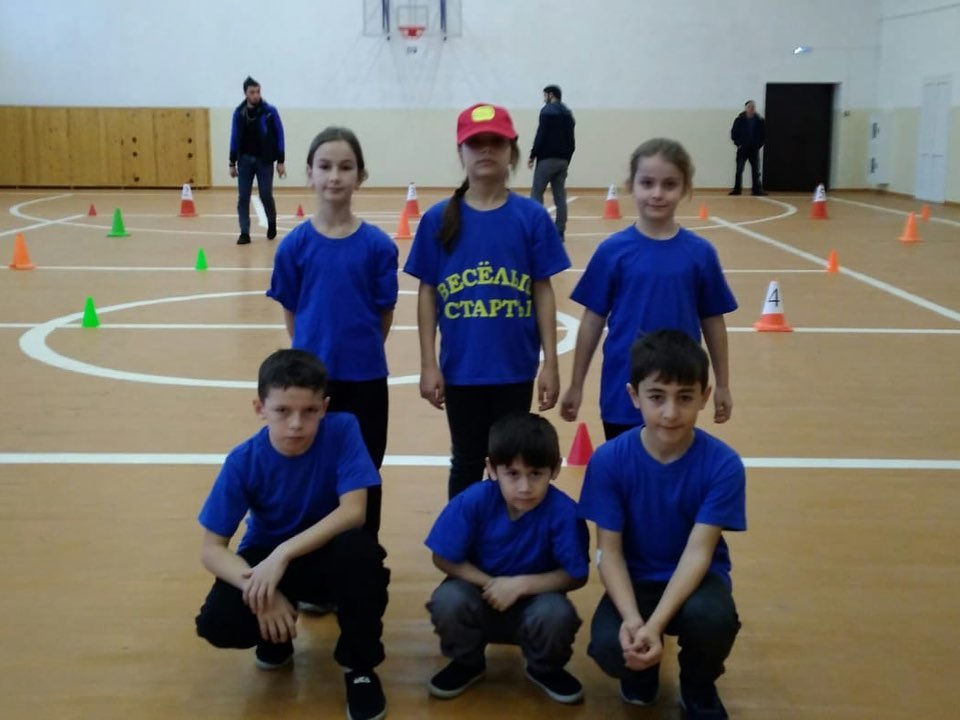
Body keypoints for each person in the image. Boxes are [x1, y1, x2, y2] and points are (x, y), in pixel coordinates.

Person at [194, 349, 390, 720]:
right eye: (283, 411)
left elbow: (354, 512)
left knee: (360, 554)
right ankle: (275, 633)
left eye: (309, 411)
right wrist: (262, 593)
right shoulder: (243, 461)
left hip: (323, 554)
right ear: (260, 408)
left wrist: (282, 555)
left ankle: (360, 668)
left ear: (325, 407)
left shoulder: (343, 429)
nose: (296, 424)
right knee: (217, 623)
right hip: (266, 557)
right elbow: (212, 550)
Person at [403, 103, 570, 500]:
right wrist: (428, 363)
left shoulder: (531, 217)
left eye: (496, 141)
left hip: (515, 368)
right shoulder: (438, 219)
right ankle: (460, 537)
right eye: (475, 143)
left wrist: (551, 362)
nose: (486, 150)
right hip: (462, 370)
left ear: (512, 151)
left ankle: (504, 533)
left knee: (511, 462)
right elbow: (427, 293)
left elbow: (543, 291)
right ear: (460, 151)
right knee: (466, 460)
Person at [578, 330, 746, 719]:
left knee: (712, 619)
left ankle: (698, 685)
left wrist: (652, 626)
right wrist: (633, 620)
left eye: (685, 397)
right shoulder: (608, 461)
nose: (670, 413)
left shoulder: (723, 465)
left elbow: (698, 553)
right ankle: (642, 670)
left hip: (695, 579)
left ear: (704, 396)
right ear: (634, 395)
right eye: (657, 397)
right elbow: (608, 553)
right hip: (635, 580)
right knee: (609, 647)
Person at [268, 126, 398, 541]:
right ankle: (313, 554)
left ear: (361, 176)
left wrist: (360, 353)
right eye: (324, 167)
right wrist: (310, 359)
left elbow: (383, 313)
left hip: (366, 381)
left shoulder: (378, 246)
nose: (335, 176)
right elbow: (292, 310)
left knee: (365, 469)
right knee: (313, 467)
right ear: (309, 173)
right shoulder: (294, 247)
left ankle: (365, 556)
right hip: (311, 384)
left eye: (345, 167)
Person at [560, 137, 737, 441]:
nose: (657, 193)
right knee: (625, 464)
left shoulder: (701, 253)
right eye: (647, 183)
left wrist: (722, 384)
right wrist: (576, 384)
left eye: (669, 184)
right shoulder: (612, 251)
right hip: (623, 390)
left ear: (685, 188)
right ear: (631, 185)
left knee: (671, 464)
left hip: (677, 393)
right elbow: (591, 321)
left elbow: (713, 322)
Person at [425, 412, 589, 704]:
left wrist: (519, 586)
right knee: (448, 600)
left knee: (556, 613)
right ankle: (467, 662)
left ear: (555, 469)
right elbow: (442, 557)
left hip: (536, 603)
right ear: (491, 468)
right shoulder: (473, 501)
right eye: (513, 474)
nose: (524, 487)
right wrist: (493, 584)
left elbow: (576, 574)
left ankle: (544, 668)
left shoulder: (564, 512)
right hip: (480, 596)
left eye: (535, 474)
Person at [229, 76, 287, 245]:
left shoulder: (270, 111)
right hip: (245, 161)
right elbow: (234, 137)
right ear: (245, 94)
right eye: (252, 92)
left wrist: (281, 161)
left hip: (265, 161)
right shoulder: (239, 113)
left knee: (266, 195)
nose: (256, 95)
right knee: (243, 197)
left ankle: (272, 222)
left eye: (258, 92)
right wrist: (232, 163)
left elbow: (280, 135)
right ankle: (244, 232)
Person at [528, 84, 576, 241]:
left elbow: (541, 135)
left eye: (545, 95)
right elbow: (571, 141)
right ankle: (560, 231)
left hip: (546, 159)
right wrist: (567, 159)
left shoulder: (546, 111)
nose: (544, 99)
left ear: (551, 95)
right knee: (560, 197)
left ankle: (537, 230)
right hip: (563, 161)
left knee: (536, 194)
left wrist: (533, 154)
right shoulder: (568, 114)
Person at [729, 100, 767, 196]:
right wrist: (739, 144)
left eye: (753, 107)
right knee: (739, 170)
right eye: (749, 107)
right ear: (746, 108)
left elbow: (763, 134)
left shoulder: (759, 120)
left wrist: (759, 145)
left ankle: (756, 190)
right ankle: (737, 190)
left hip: (754, 149)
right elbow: (734, 133)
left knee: (756, 171)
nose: (751, 108)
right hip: (742, 149)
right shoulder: (739, 120)